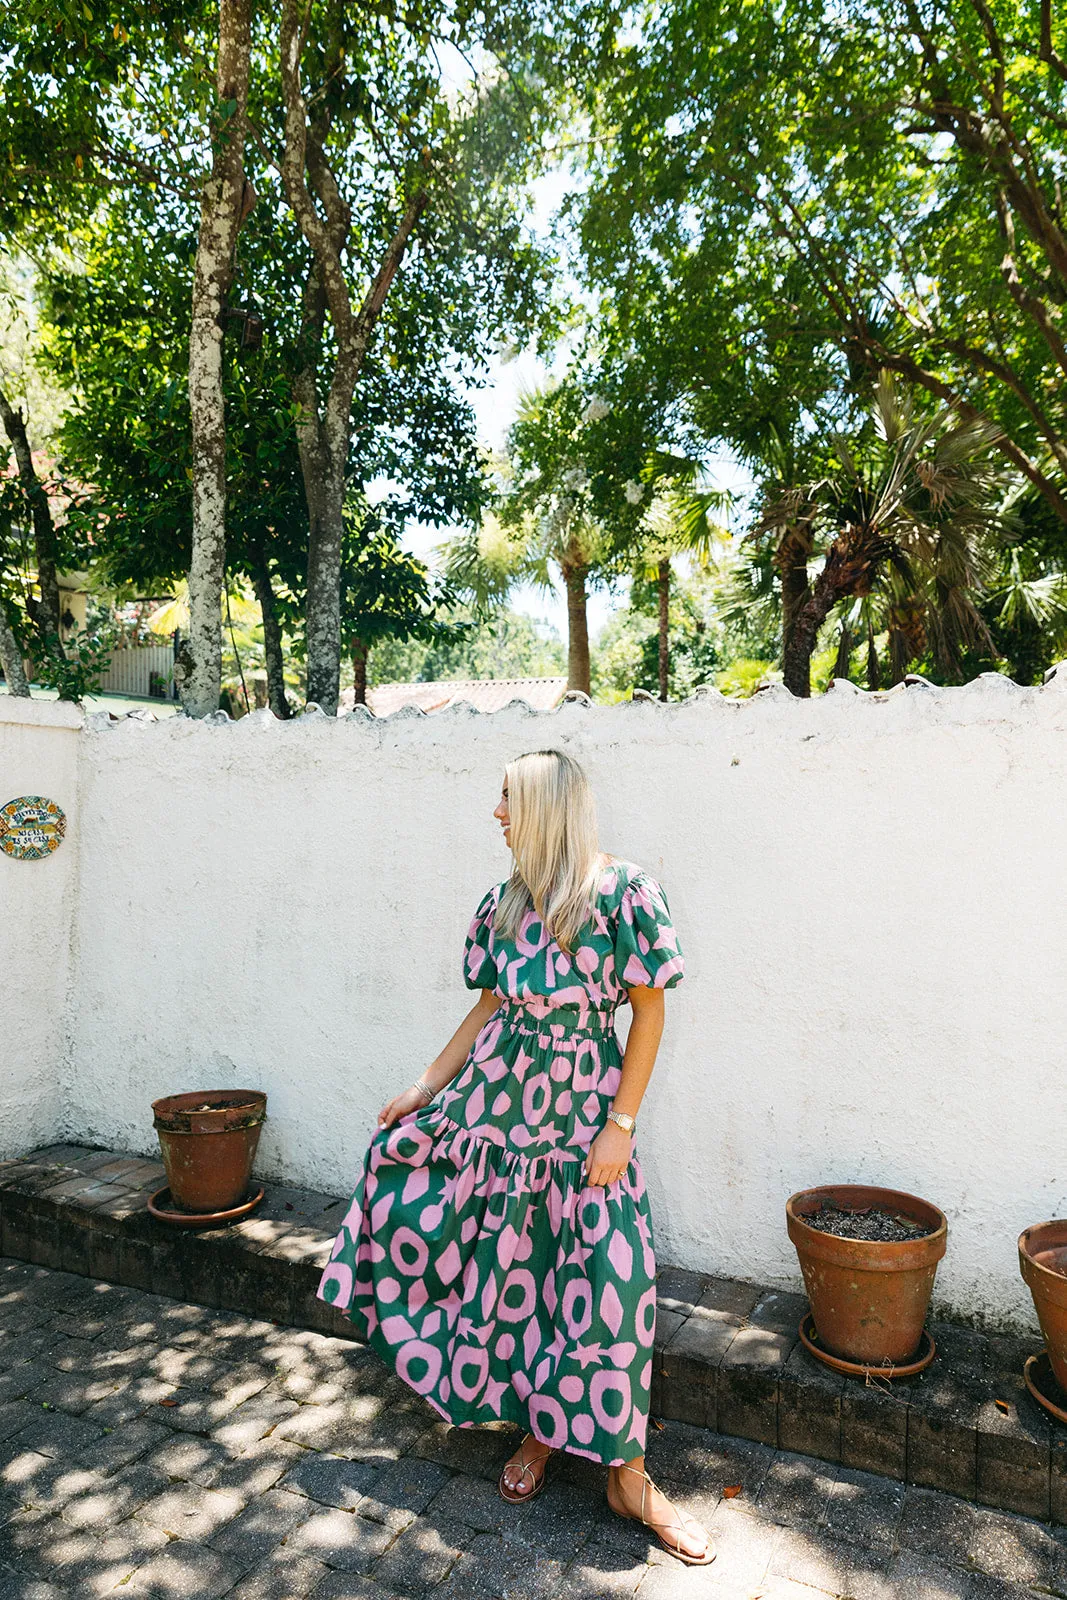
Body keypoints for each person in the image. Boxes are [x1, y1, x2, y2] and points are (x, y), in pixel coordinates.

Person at [317, 748, 713, 1566]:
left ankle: (628, 1475)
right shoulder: (505, 900)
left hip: (582, 1117)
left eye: (505, 800)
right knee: (516, 1270)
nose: (495, 814)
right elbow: (487, 1006)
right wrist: (425, 1087)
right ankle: (537, 1433)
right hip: (496, 1110)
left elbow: (648, 1014)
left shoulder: (622, 892)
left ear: (542, 807)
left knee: (609, 1282)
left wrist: (621, 1124)